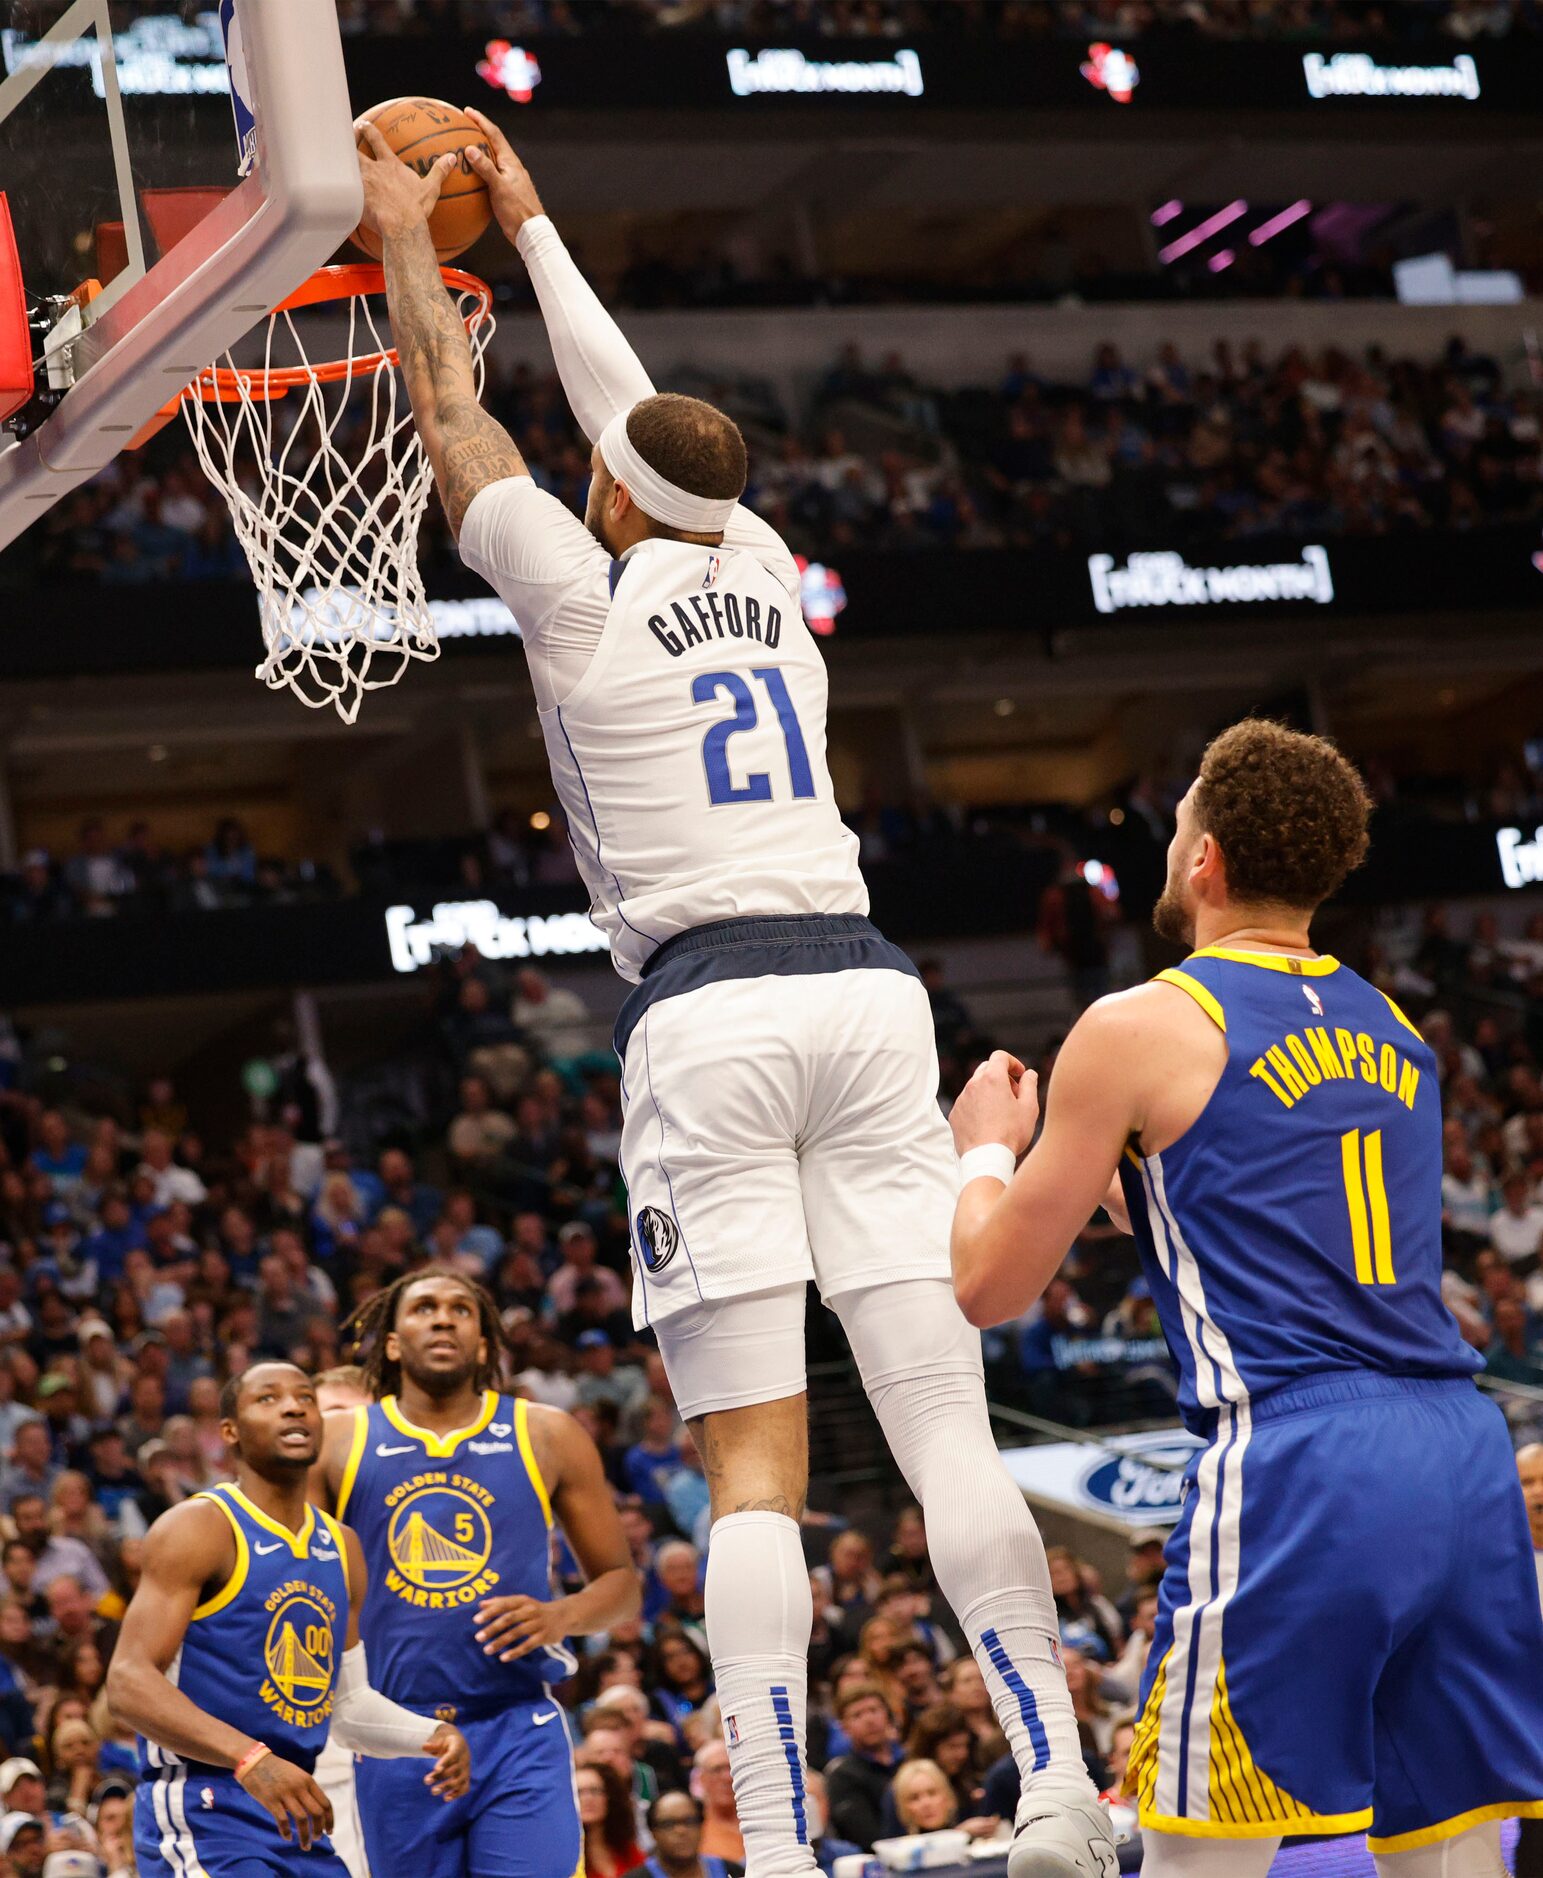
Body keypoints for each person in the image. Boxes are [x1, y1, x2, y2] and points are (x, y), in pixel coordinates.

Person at [356, 118, 1110, 1878]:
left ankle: (771, 1848)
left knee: (755, 1466)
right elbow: (642, 427)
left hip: (708, 1012)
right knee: (941, 1420)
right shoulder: (766, 572)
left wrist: (413, 241)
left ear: (612, 498)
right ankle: (1057, 1788)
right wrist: (532, 231)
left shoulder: (577, 592)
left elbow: (462, 427)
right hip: (862, 993)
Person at [948, 718, 1543, 1877]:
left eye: (1174, 832)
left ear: (1206, 859)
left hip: (1300, 1455)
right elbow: (1229, 1211)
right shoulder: (1395, 1030)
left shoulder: (1136, 1025)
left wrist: (983, 1153)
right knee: (1452, 1857)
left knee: (1195, 1856)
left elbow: (985, 1285)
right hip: (1462, 1455)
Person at [311, 1269, 640, 1878]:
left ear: (485, 1344)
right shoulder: (337, 1442)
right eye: (425, 1308)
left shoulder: (546, 1433)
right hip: (397, 1735)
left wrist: (558, 1616)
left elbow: (622, 1585)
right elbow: (292, 1579)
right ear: (390, 1341)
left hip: (516, 1724)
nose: (442, 1318)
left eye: (462, 1310)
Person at [106, 1360, 469, 1878]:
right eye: (268, 1398)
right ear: (229, 1431)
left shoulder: (342, 1548)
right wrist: (250, 1758)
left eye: (304, 1397)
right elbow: (127, 1681)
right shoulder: (200, 1526)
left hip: (294, 1813)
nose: (294, 1405)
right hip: (205, 1807)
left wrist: (431, 1735)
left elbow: (346, 1703)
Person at [309, 1368, 371, 1878]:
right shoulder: (242, 1523)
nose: (335, 1434)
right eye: (326, 1416)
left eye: (351, 1419)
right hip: (315, 1743)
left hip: (412, 1727)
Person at [642, 1790, 741, 1878]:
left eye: (689, 1821)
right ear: (653, 1832)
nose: (681, 1831)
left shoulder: (732, 1871)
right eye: (669, 1824)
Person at [577, 1760, 645, 1878]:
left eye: (595, 1791)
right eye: (579, 1792)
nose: (588, 1798)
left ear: (610, 1797)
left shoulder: (628, 1850)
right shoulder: (563, 1857)